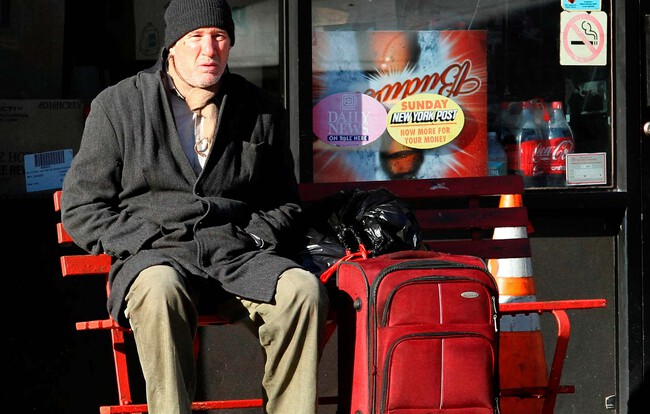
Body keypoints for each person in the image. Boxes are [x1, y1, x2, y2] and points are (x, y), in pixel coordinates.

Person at [60, 0, 329, 412]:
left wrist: (254, 237)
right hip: (158, 257)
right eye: (196, 37)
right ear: (172, 46)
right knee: (158, 288)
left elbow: (285, 204)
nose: (209, 49)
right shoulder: (120, 106)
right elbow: (82, 207)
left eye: (219, 36)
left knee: (302, 291)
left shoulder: (261, 109)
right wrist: (146, 240)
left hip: (237, 256)